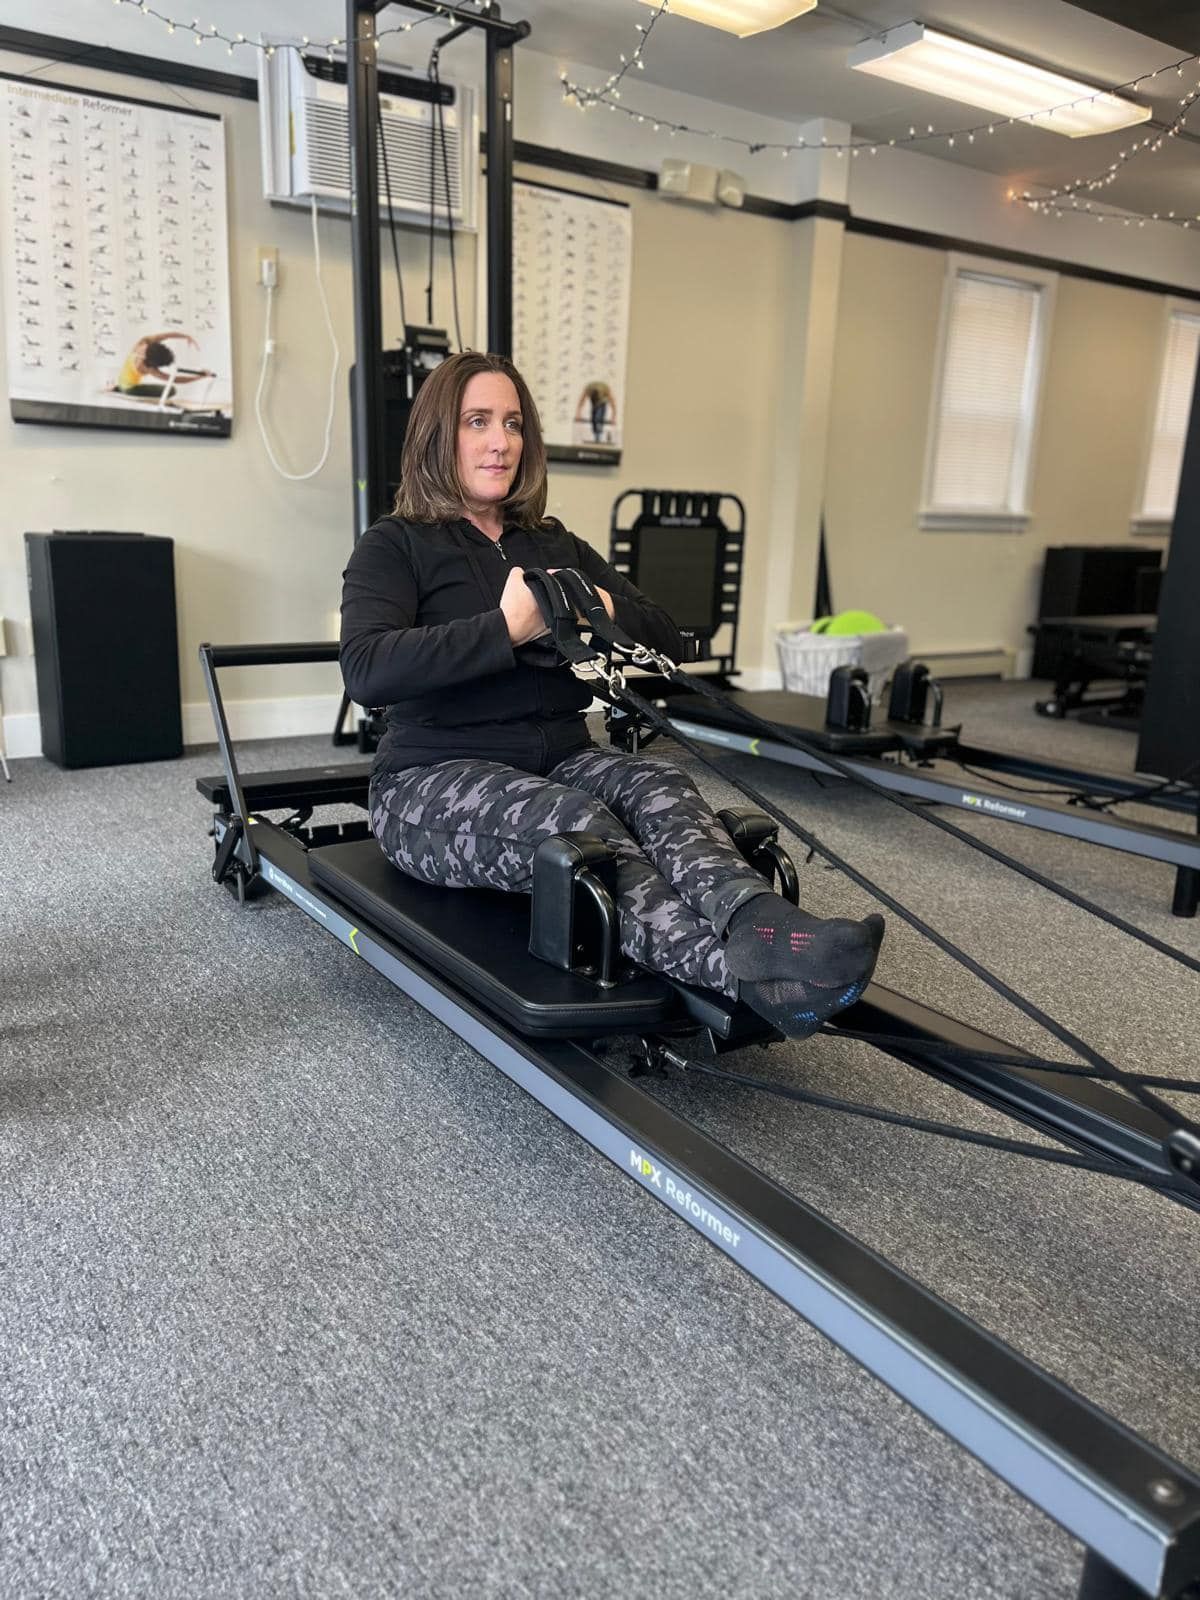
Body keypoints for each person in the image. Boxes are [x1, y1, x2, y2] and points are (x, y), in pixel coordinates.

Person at [340, 352, 883, 1037]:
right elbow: (365, 669)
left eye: (512, 423)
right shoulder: (395, 545)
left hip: (562, 750)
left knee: (658, 783)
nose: (500, 441)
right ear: (437, 435)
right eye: (477, 422)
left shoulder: (550, 541)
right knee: (573, 820)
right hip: (428, 778)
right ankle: (742, 975)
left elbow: (667, 635)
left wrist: (599, 605)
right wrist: (504, 630)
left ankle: (764, 927)